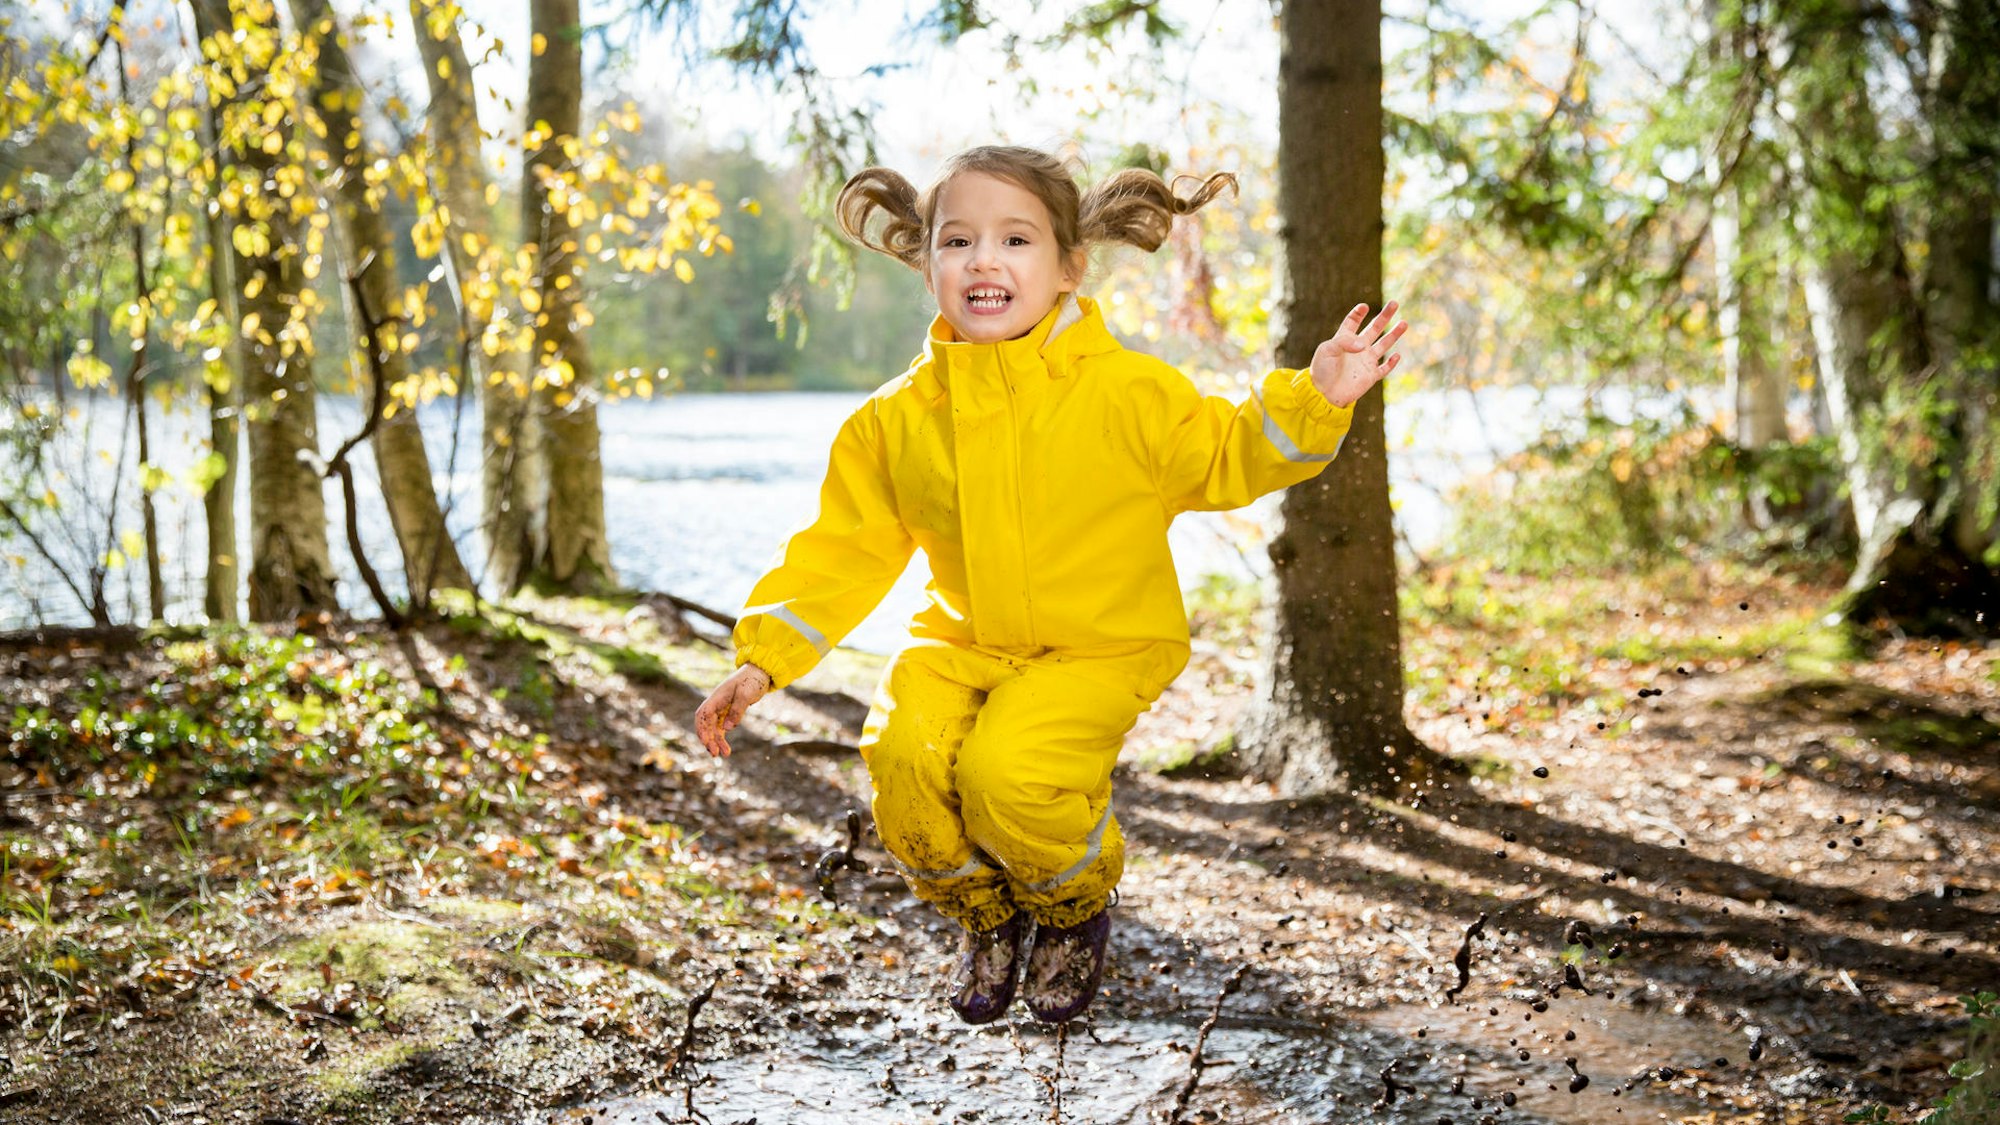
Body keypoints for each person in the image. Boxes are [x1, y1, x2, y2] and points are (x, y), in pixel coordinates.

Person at [694, 145, 1406, 1026]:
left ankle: (1072, 906)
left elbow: (1228, 455)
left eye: (1016, 239)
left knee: (1007, 776)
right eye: (957, 241)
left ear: (1069, 267)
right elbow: (840, 551)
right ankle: (987, 916)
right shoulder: (893, 421)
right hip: (961, 644)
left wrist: (1317, 396)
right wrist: (762, 661)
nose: (984, 260)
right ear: (929, 265)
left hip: (1098, 646)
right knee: (905, 763)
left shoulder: (1128, 392)